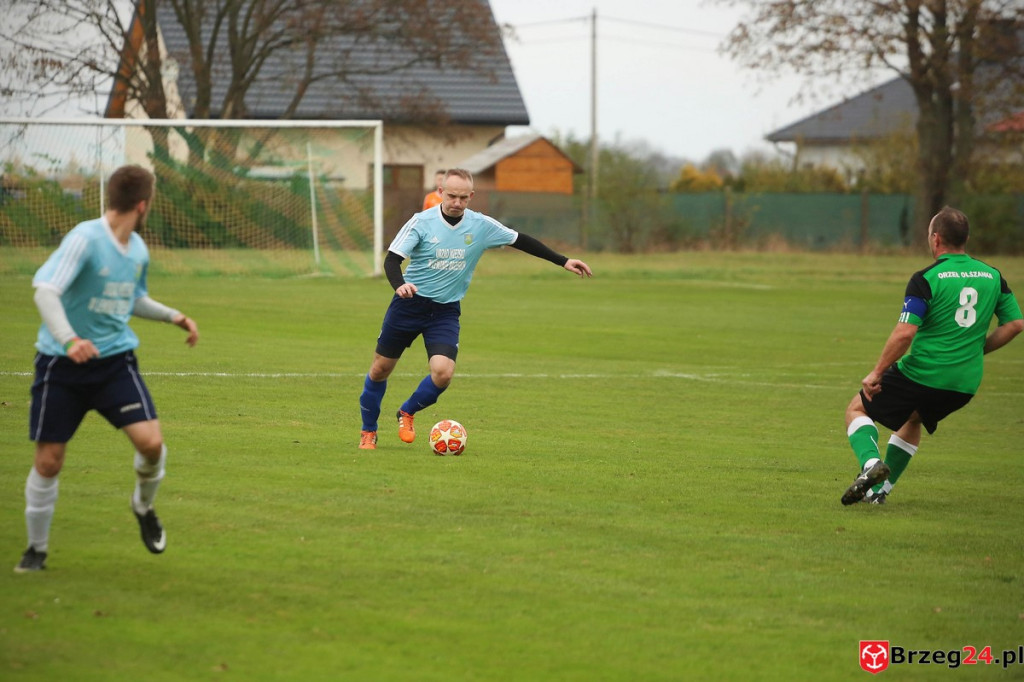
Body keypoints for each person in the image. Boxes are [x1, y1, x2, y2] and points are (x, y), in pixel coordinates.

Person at [15, 164, 200, 573]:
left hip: (115, 363)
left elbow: (130, 298)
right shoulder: (84, 239)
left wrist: (174, 316)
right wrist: (68, 339)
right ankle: (36, 550)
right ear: (142, 203)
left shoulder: (137, 249)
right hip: (61, 366)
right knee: (49, 461)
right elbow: (46, 290)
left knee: (152, 444)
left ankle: (142, 505)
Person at [359, 168, 592, 449]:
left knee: (443, 373)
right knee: (380, 369)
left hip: (445, 311)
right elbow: (392, 260)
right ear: (441, 192)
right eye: (452, 196)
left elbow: (521, 240)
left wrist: (563, 261)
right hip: (409, 305)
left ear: (471, 196)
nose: (457, 202)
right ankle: (368, 431)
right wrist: (399, 285)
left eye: (463, 198)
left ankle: (406, 411)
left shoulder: (481, 225)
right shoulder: (421, 222)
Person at [840, 206, 1023, 506]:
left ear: (936, 239)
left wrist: (876, 372)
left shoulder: (927, 278)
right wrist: (977, 349)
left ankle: (872, 465)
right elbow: (1015, 324)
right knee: (914, 418)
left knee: (857, 408)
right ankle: (878, 493)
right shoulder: (993, 275)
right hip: (964, 384)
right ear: (964, 239)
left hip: (923, 373)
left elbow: (905, 333)